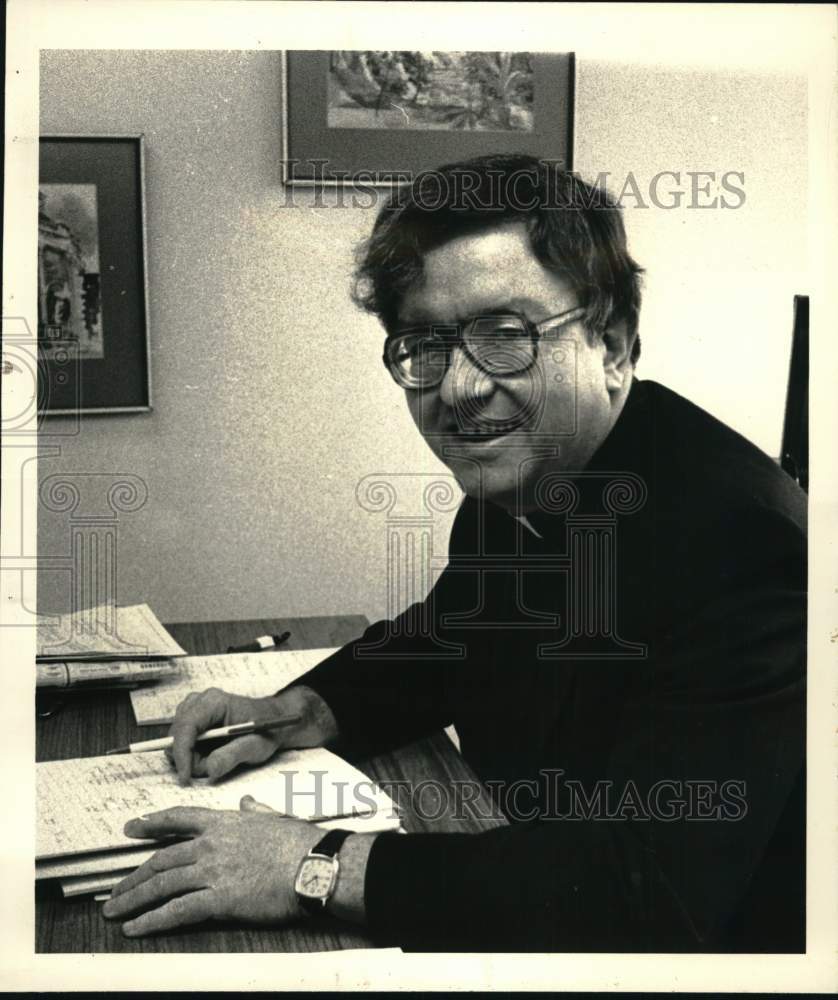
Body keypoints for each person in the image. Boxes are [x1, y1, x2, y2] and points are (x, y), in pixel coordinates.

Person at [103, 155, 806, 952]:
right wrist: (299, 711)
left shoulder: (748, 552)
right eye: (425, 346)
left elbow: (645, 889)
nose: (461, 389)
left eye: (506, 337)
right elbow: (453, 635)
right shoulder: (524, 479)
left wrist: (318, 865)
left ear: (611, 344)